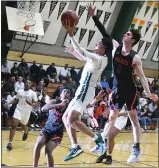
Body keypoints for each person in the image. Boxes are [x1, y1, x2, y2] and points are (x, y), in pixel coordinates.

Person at [87, 3, 158, 163]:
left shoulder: (135, 57)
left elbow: (142, 77)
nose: (124, 35)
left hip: (130, 91)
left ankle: (136, 148)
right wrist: (93, 16)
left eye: (127, 34)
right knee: (111, 119)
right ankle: (102, 146)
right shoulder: (116, 47)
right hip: (117, 90)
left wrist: (148, 93)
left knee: (134, 119)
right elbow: (104, 33)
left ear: (132, 40)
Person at [61, 18, 113, 161]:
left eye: (98, 44)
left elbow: (83, 52)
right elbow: (84, 57)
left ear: (103, 49)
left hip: (85, 91)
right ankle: (75, 146)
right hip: (82, 91)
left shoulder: (98, 58)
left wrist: (71, 34)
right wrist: (73, 53)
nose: (96, 45)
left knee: (72, 118)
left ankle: (98, 139)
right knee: (66, 118)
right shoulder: (101, 59)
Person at [33, 89, 70, 167]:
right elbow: (43, 109)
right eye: (64, 91)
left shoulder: (70, 106)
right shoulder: (54, 101)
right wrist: (59, 105)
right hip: (46, 129)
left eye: (68, 92)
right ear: (61, 95)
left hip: (57, 133)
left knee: (48, 150)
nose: (66, 93)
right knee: (37, 146)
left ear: (69, 96)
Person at [6, 80, 39, 151]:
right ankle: (9, 143)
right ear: (24, 84)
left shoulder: (33, 93)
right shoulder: (20, 91)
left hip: (26, 111)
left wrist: (31, 104)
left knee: (23, 124)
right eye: (26, 82)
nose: (27, 83)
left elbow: (37, 103)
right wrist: (9, 103)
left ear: (30, 85)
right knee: (14, 125)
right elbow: (16, 99)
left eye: (29, 83)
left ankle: (26, 130)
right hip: (18, 109)